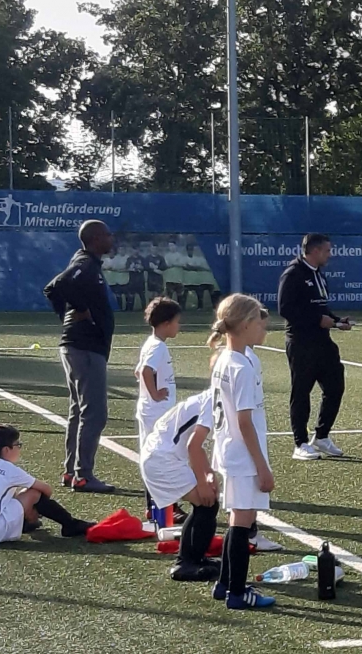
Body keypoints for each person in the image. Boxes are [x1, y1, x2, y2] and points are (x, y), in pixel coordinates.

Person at [208, 293, 278, 610]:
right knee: (242, 521)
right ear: (247, 325)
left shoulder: (227, 358)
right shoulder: (240, 367)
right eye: (260, 324)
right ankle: (237, 592)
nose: (265, 329)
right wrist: (262, 466)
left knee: (238, 517)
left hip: (229, 449)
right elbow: (245, 421)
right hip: (243, 454)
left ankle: (225, 583)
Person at [43, 219, 119, 493]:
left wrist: (73, 311)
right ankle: (83, 475)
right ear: (96, 238)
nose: (111, 238)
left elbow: (58, 288)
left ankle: (71, 471)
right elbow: (56, 286)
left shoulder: (88, 264)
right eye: (108, 234)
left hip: (81, 346)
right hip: (85, 347)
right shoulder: (85, 263)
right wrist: (78, 311)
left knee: (79, 411)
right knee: (94, 413)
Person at [0, 423, 93, 546]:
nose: (19, 448)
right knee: (33, 493)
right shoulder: (9, 469)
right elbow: (46, 490)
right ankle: (70, 524)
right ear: (6, 450)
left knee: (11, 497)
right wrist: (32, 508)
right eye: (17, 445)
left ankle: (25, 523)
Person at [277, 233, 350, 461]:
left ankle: (321, 436)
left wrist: (337, 321)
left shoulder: (318, 274)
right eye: (327, 250)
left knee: (335, 386)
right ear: (315, 251)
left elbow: (320, 308)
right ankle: (300, 443)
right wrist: (318, 320)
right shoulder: (293, 274)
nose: (330, 255)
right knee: (301, 391)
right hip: (301, 342)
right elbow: (285, 309)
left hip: (322, 341)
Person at [140, 388, 222, 582]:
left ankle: (194, 559)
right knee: (207, 504)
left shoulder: (210, 397)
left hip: (162, 454)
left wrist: (208, 472)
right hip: (162, 458)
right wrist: (202, 483)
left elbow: (196, 446)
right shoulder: (214, 401)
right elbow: (193, 446)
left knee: (206, 505)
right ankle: (185, 563)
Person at [136, 297, 181, 448]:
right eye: (176, 322)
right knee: (158, 449)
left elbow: (138, 371)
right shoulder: (158, 346)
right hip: (157, 410)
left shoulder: (150, 343)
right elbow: (145, 371)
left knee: (149, 448)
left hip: (150, 408)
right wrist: (155, 395)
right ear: (166, 323)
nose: (178, 326)